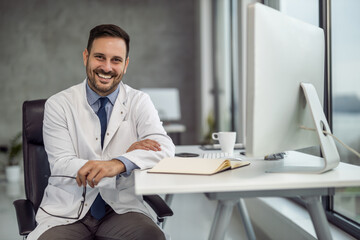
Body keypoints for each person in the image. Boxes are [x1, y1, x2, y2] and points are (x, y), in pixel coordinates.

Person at [27, 24, 175, 240]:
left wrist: (119, 163)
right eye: (99, 57)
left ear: (125, 65)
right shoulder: (59, 104)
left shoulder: (139, 102)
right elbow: (62, 163)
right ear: (86, 57)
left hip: (120, 209)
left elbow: (165, 149)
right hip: (67, 212)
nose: (107, 67)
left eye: (116, 60)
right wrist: (123, 161)